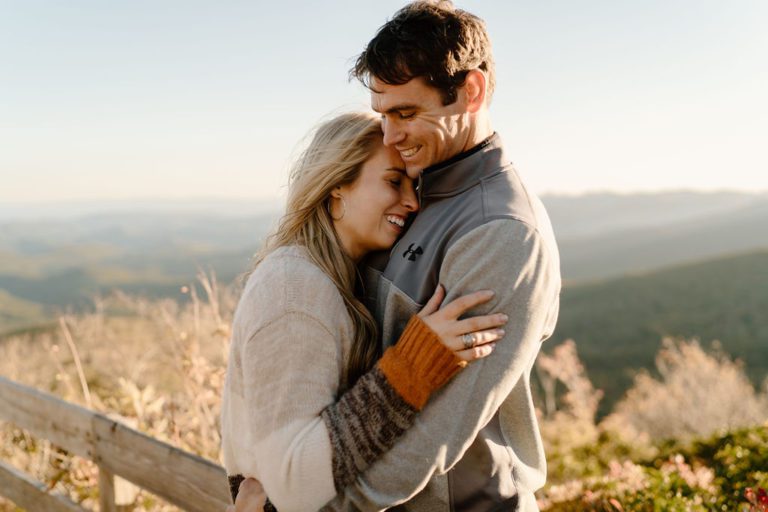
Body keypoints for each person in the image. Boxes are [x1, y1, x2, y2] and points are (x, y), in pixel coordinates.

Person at [236, 1, 562, 510]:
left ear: (470, 92)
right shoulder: (417, 193)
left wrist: (304, 506)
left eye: (406, 113)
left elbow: (435, 434)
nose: (390, 135)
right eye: (382, 114)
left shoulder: (500, 233)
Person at [220, 111, 509, 512]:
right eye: (393, 181)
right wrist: (413, 366)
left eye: (414, 185)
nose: (411, 201)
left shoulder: (332, 278)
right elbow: (292, 482)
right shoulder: (294, 289)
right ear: (338, 183)